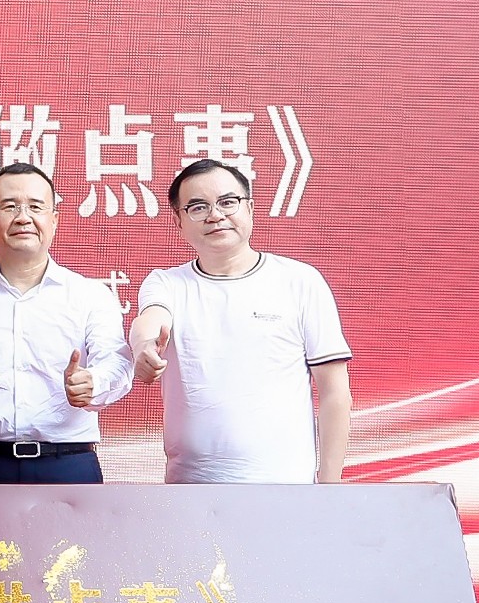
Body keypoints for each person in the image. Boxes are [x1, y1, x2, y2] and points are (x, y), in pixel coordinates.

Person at [129, 158, 354, 484]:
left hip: (286, 486)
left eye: (227, 202)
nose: (215, 215)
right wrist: (144, 349)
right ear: (179, 221)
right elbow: (149, 320)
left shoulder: (300, 281)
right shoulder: (167, 283)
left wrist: (329, 486)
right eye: (198, 207)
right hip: (190, 487)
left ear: (249, 208)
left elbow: (335, 392)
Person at [0, 162, 130, 484]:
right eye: (9, 206)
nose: (23, 217)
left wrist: (94, 383)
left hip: (69, 466)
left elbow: (116, 364)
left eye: (35, 206)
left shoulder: (91, 295)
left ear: (54, 219)